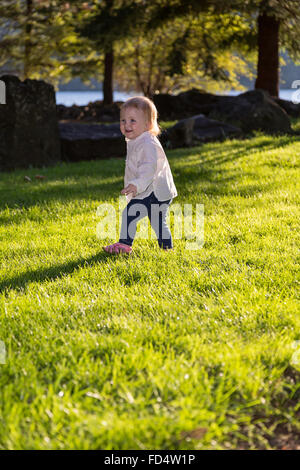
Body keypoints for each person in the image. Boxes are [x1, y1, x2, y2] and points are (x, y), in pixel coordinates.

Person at [103, 96, 177, 254]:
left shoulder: (147, 143)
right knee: (157, 221)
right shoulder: (138, 139)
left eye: (132, 120)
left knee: (131, 213)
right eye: (123, 120)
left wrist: (136, 184)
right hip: (156, 189)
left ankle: (124, 244)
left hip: (153, 190)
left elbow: (148, 168)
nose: (126, 125)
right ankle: (167, 249)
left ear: (148, 124)